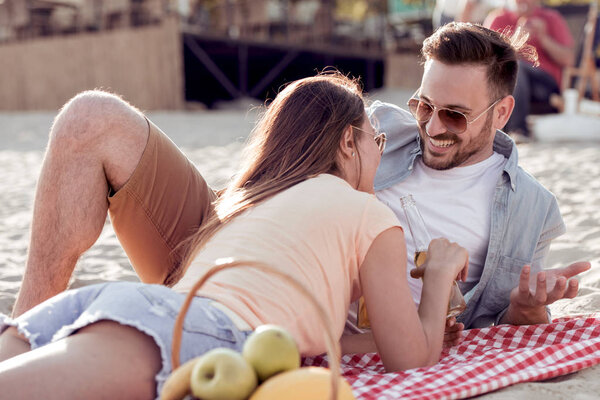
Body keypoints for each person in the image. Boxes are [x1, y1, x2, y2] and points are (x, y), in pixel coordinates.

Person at [0, 73, 469, 399]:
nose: (379, 152)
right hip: (198, 330)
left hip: (117, 305)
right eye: (376, 140)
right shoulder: (371, 212)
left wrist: (420, 333)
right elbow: (410, 363)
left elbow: (312, 344)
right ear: (348, 142)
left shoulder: (254, 201)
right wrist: (440, 276)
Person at [342, 22, 589, 352]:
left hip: (416, 349)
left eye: (455, 116)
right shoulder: (375, 132)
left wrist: (525, 306)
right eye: (424, 106)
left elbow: (503, 325)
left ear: (501, 113)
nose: (432, 127)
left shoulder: (532, 208)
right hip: (326, 323)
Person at [484, 0, 575, 139]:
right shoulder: (498, 19)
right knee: (513, 67)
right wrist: (516, 41)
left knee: (517, 67)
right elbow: (487, 61)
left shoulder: (551, 18)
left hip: (545, 88)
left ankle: (518, 130)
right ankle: (504, 131)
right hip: (505, 83)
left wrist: (544, 38)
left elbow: (568, 59)